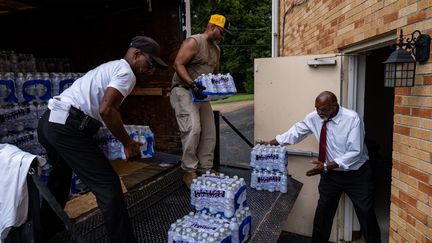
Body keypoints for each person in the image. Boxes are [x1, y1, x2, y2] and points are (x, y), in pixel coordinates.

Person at [37, 36, 167, 242]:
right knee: (108, 186)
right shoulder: (126, 72)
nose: (150, 71)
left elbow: (104, 111)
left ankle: (45, 230)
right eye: (149, 64)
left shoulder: (111, 67)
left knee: (60, 177)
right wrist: (128, 143)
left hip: (49, 122)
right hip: (66, 127)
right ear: (136, 55)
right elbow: (107, 110)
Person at [261, 91, 381, 243]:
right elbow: (296, 132)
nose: (319, 112)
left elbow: (355, 152)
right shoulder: (314, 117)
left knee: (366, 214)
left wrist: (326, 165)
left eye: (323, 109)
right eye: (317, 108)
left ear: (334, 106)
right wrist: (272, 143)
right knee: (323, 214)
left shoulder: (352, 119)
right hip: (330, 175)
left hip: (357, 174)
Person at [170, 14, 231, 188]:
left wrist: (221, 89)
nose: (223, 37)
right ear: (213, 27)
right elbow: (178, 64)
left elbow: (215, 75)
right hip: (183, 90)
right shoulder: (194, 42)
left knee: (210, 131)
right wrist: (192, 84)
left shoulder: (217, 50)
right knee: (193, 128)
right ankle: (189, 171)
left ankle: (205, 168)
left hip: (201, 94)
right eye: (222, 32)